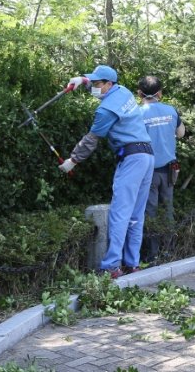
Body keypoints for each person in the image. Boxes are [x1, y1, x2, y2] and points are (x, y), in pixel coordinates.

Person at [58, 65, 155, 278]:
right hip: (147, 156)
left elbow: (91, 140)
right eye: (91, 84)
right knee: (136, 215)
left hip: (131, 159)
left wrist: (72, 161)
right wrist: (81, 80)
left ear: (108, 84)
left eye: (96, 84)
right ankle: (132, 263)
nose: (93, 88)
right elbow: (99, 82)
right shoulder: (124, 91)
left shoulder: (105, 110)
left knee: (120, 213)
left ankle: (111, 266)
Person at [137, 75, 185, 262]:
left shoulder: (138, 113)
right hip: (170, 171)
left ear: (140, 94)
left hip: (148, 172)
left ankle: (152, 255)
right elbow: (181, 133)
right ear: (160, 93)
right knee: (168, 211)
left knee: (150, 213)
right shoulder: (171, 110)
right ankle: (170, 251)